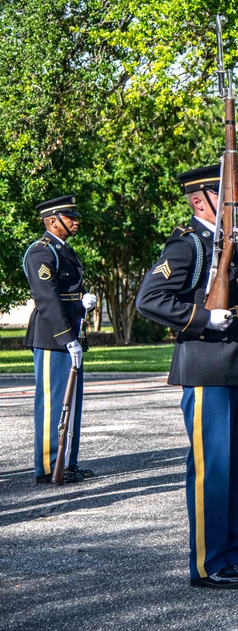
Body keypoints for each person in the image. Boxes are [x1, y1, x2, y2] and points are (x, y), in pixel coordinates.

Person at [136, 165, 238, 589]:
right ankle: (210, 563)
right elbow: (148, 299)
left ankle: (233, 553)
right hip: (207, 365)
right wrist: (204, 318)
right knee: (214, 467)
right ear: (199, 201)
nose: (234, 203)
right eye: (225, 196)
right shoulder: (187, 245)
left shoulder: (232, 240)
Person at [22, 195, 97, 485]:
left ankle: (66, 463)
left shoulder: (63, 250)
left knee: (72, 403)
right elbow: (47, 300)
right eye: (70, 216)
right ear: (53, 221)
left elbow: (65, 295)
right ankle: (47, 466)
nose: (76, 220)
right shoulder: (41, 252)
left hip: (68, 334)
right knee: (53, 403)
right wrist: (67, 339)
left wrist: (81, 302)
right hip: (53, 337)